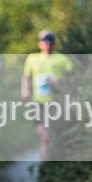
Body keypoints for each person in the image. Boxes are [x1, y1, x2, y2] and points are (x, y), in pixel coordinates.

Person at [20, 29, 73, 160]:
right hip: (38, 102)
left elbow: (73, 77)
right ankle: (44, 165)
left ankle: (52, 166)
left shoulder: (62, 59)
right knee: (44, 136)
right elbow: (26, 77)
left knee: (55, 137)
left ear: (54, 44)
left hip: (57, 101)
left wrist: (59, 83)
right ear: (39, 44)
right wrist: (25, 91)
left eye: (50, 41)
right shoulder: (32, 59)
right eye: (44, 41)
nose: (47, 44)